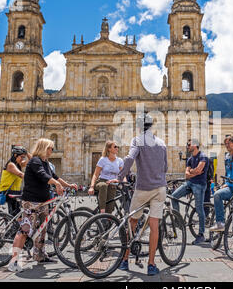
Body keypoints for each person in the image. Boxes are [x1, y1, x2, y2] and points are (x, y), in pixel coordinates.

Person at [7, 138, 77, 272]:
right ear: (44, 148)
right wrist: (55, 184)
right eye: (50, 148)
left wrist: (67, 184)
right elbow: (42, 175)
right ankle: (13, 261)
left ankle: (40, 255)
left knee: (42, 228)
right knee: (25, 230)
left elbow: (55, 177)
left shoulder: (45, 162)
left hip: (43, 201)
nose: (52, 151)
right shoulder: (35, 161)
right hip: (31, 201)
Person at [117, 113, 168, 276]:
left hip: (143, 188)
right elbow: (165, 167)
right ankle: (151, 265)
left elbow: (130, 158)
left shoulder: (137, 140)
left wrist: (120, 177)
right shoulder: (161, 143)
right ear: (151, 126)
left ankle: (125, 260)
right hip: (160, 187)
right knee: (154, 227)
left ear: (139, 127)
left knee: (132, 223)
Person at [171, 139, 209, 245]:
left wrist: (192, 172)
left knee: (199, 208)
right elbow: (187, 174)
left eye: (189, 144)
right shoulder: (190, 159)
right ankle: (179, 221)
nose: (187, 146)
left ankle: (201, 234)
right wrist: (193, 172)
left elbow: (197, 170)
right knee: (173, 196)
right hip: (189, 183)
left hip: (199, 185)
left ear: (195, 145)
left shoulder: (203, 157)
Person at [88, 141, 123, 214]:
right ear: (109, 149)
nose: (117, 148)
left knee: (110, 209)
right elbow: (95, 174)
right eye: (115, 147)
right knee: (103, 186)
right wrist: (91, 186)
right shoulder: (103, 159)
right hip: (102, 181)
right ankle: (102, 212)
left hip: (113, 184)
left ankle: (107, 221)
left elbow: (122, 175)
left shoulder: (119, 161)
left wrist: (123, 182)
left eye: (117, 147)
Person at [0, 146, 30, 216]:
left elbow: (31, 160)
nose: (22, 159)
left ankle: (16, 223)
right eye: (21, 157)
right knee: (16, 215)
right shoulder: (11, 165)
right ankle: (12, 225)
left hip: (15, 192)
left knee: (18, 213)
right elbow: (20, 174)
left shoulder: (19, 164)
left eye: (24, 157)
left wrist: (26, 153)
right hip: (8, 191)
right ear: (15, 155)